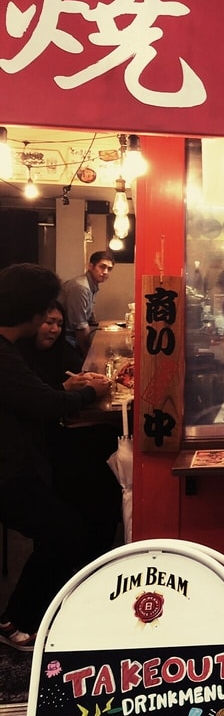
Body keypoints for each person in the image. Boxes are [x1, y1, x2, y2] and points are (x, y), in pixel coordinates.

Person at [0, 264, 112, 652]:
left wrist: (68, 390)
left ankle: (28, 613)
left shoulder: (9, 350)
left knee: (67, 526)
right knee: (67, 532)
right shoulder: (5, 354)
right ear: (32, 311)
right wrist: (92, 392)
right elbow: (46, 404)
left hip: (19, 464)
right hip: (8, 473)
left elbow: (36, 397)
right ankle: (17, 620)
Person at [17, 301, 123, 561]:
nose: (54, 329)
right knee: (95, 454)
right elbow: (41, 405)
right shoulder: (17, 359)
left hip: (61, 427)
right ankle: (88, 543)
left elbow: (76, 374)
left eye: (59, 324)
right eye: (48, 322)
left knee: (106, 440)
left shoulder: (60, 350)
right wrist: (69, 390)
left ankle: (99, 538)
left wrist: (82, 381)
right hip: (36, 444)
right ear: (32, 323)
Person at [61, 250, 115, 355]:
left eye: (109, 269)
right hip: (65, 338)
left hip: (73, 336)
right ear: (91, 266)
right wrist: (89, 355)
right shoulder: (81, 287)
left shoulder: (91, 285)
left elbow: (88, 316)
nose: (105, 272)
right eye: (102, 267)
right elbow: (80, 326)